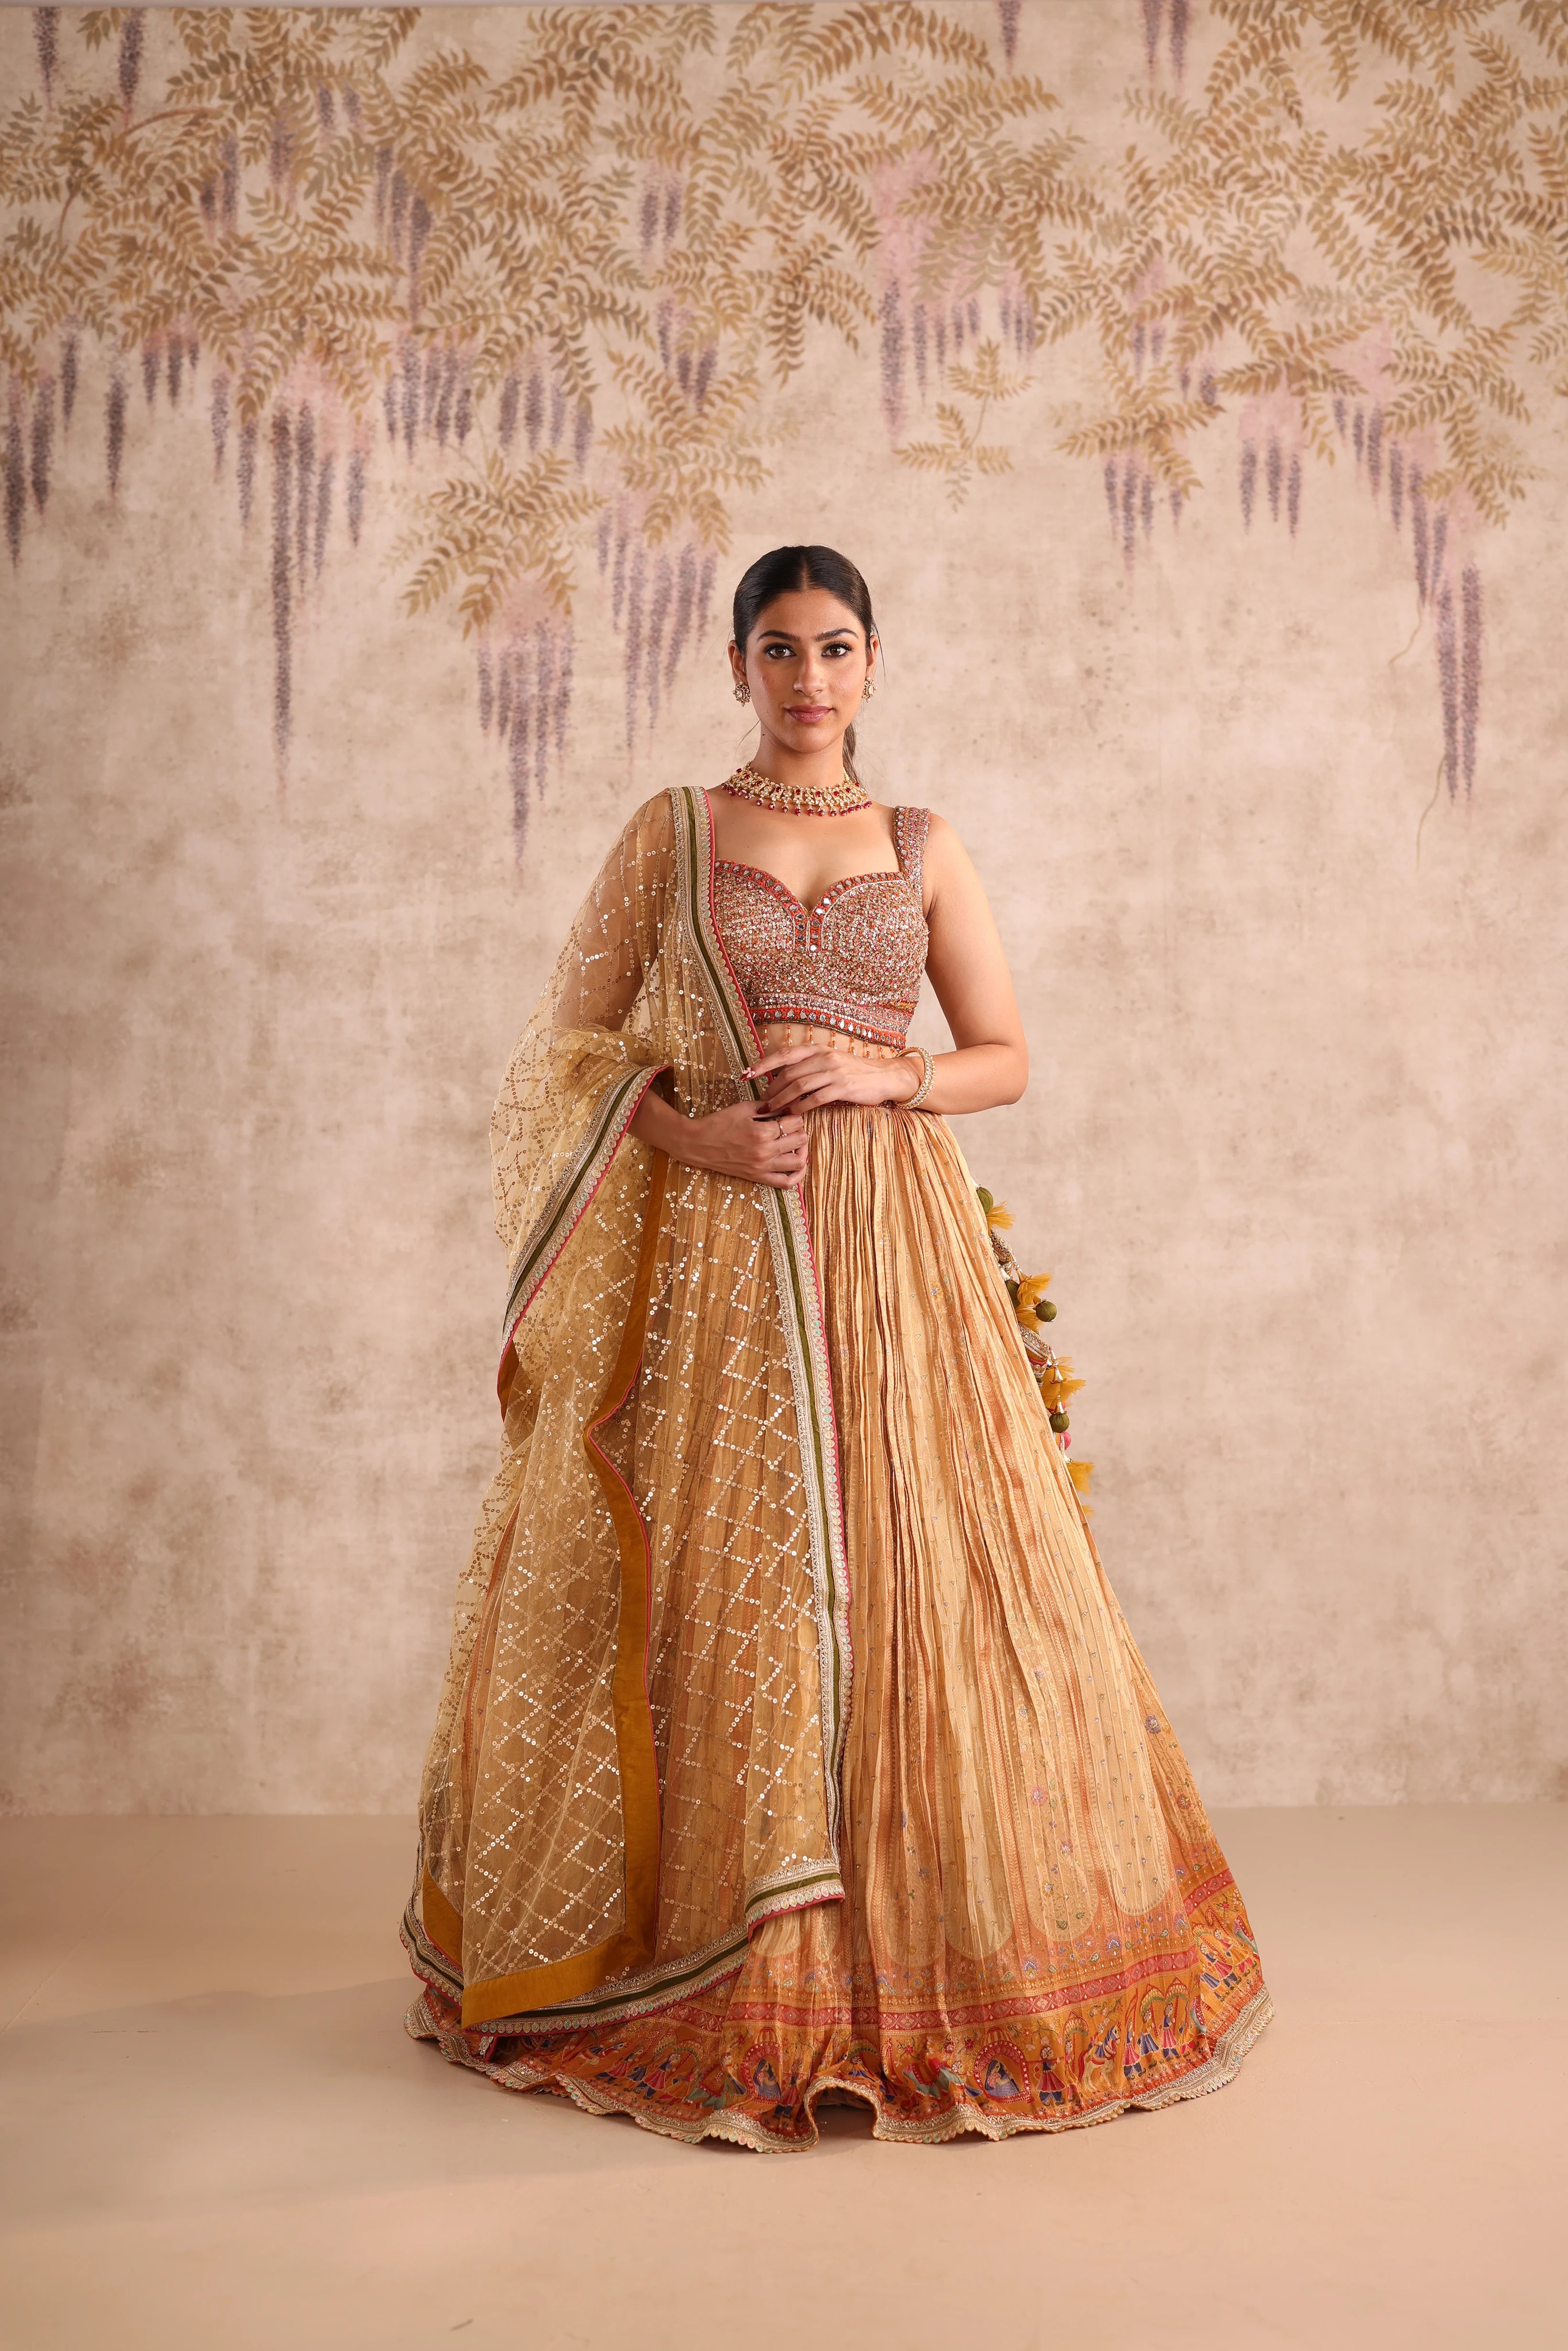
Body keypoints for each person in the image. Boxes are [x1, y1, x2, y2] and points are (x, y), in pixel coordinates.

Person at [402, 544, 1271, 2149]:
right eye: (781, 650)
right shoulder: (672, 832)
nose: (810, 681)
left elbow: (1004, 1053)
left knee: (932, 1571)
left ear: (875, 665)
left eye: (838, 649)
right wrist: (687, 1133)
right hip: (728, 1266)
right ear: (737, 663)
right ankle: (747, 1965)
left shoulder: (924, 842)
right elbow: (561, 1048)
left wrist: (891, 1080)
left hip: (897, 1259)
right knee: (748, 1583)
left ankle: (939, 1962)